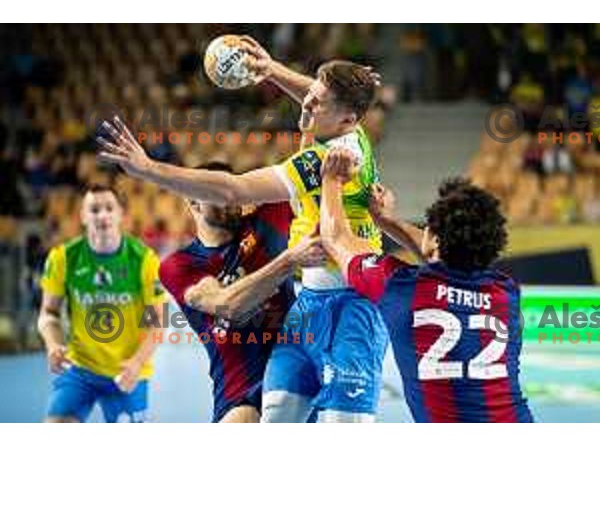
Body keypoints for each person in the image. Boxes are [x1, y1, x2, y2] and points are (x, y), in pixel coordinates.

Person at [97, 39, 387, 422]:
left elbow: (233, 188)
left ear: (348, 119)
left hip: (351, 301)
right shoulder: (345, 133)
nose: (308, 103)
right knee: (277, 414)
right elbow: (321, 100)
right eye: (311, 94)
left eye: (319, 101)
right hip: (304, 311)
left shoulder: (326, 162)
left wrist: (149, 170)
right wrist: (271, 69)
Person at [320, 149, 534, 422]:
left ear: (433, 238)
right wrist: (387, 222)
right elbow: (448, 253)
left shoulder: (399, 287)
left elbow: (335, 237)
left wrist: (331, 179)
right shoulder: (506, 294)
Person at [159, 162, 325, 423]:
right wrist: (288, 261)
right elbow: (228, 305)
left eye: (232, 190)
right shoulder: (180, 265)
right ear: (193, 202)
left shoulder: (268, 220)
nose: (231, 199)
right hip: (240, 392)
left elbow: (305, 179)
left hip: (295, 376)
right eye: (218, 194)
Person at [38, 184, 166, 422]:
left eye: (109, 208)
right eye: (94, 209)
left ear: (121, 215)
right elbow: (48, 313)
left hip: (128, 372)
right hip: (80, 368)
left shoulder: (145, 261)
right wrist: (53, 344)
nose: (102, 215)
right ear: (83, 217)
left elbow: (157, 324)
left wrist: (137, 363)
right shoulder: (63, 258)